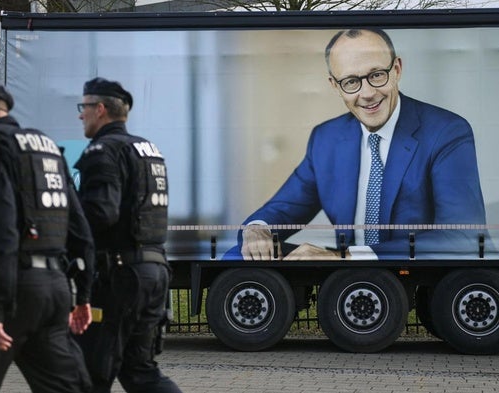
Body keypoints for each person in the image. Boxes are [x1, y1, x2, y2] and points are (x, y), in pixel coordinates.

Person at [227, 28, 487, 261]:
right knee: (239, 254)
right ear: (335, 86)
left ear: (396, 70)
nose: (367, 93)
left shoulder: (446, 132)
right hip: (345, 277)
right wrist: (257, 229)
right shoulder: (326, 139)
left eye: (376, 75)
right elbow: (283, 209)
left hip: (414, 275)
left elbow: (463, 238)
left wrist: (346, 256)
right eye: (351, 82)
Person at [0, 73, 95, 393]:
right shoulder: (46, 148)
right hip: (54, 292)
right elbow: (79, 229)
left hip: (10, 292)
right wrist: (84, 296)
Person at [72, 77, 183, 393]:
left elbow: (100, 213)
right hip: (155, 270)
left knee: (91, 373)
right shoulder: (147, 150)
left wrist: (66, 224)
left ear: (101, 109)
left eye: (84, 107)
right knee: (140, 372)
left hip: (120, 278)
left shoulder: (102, 151)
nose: (81, 115)